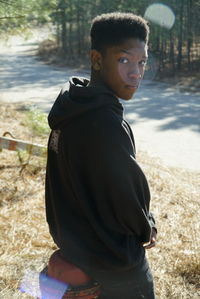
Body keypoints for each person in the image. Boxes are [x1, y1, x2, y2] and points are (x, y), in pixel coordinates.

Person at [44, 12, 157, 299]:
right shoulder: (104, 123)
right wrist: (148, 229)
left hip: (77, 252)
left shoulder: (70, 110)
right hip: (115, 264)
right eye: (123, 60)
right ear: (96, 59)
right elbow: (128, 199)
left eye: (141, 62)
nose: (136, 72)